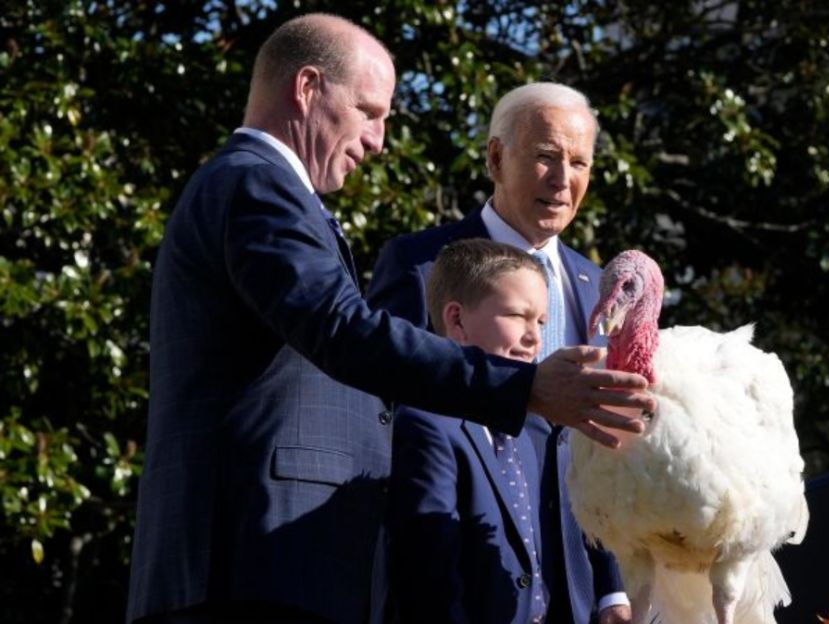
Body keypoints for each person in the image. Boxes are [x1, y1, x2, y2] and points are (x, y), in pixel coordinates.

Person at [126, 15, 652, 624]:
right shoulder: (254, 185)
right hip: (251, 563)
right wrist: (526, 384)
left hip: (277, 565)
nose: (377, 140)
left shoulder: (266, 190)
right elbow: (345, 329)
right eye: (368, 111)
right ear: (306, 88)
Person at [365, 82, 631, 624]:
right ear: (495, 156)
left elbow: (604, 447)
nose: (563, 181)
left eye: (579, 163)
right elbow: (383, 421)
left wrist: (612, 590)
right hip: (462, 583)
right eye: (545, 157)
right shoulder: (420, 266)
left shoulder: (599, 286)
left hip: (580, 594)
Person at [389, 239, 558, 623]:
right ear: (457, 320)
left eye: (542, 322)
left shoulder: (530, 431)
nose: (535, 337)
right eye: (518, 316)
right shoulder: (426, 425)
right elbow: (429, 577)